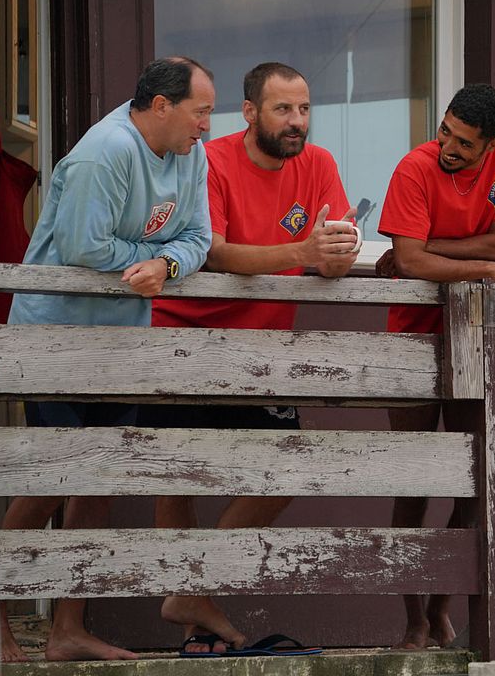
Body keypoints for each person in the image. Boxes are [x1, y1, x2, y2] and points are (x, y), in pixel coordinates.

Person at [0, 56, 215, 662]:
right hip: (54, 334)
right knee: (50, 480)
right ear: (162, 105)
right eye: (200, 111)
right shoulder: (107, 149)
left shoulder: (192, 154)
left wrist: (169, 265)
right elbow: (81, 246)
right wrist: (153, 253)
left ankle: (68, 629)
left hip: (121, 340)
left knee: (98, 482)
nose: (206, 126)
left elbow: (199, 237)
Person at [145, 62, 358, 655]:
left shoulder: (319, 166)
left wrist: (338, 254)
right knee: (179, 475)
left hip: (264, 347)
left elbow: (328, 254)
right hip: (187, 335)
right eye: (283, 110)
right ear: (249, 113)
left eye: (305, 109)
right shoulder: (208, 160)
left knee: (284, 470)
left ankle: (193, 589)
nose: (297, 123)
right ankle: (193, 627)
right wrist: (303, 249)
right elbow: (210, 251)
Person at [375, 82, 495, 649]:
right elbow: (418, 261)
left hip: (480, 338)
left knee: (472, 486)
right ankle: (413, 618)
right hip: (411, 338)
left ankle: (442, 608)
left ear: (492, 144)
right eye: (446, 131)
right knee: (413, 485)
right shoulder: (412, 168)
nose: (448, 147)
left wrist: (429, 249)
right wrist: (486, 266)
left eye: (465, 144)